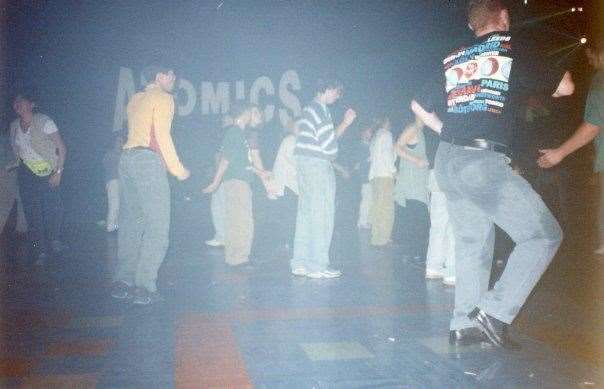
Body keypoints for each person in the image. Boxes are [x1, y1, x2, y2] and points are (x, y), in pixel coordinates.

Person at [411, 0, 574, 349]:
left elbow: (418, 106)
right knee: (543, 235)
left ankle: (464, 324)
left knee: (472, 245)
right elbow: (566, 88)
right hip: (481, 162)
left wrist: (448, 133)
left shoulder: (453, 57)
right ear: (504, 17)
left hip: (448, 159)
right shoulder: (510, 50)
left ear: (472, 26)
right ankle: (493, 313)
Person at [112, 65, 190, 305]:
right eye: (171, 73)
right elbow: (163, 136)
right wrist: (178, 169)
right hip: (147, 162)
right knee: (158, 229)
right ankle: (144, 287)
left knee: (132, 224)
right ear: (160, 77)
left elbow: (140, 131)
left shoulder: (135, 98)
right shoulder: (165, 98)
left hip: (126, 159)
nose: (174, 77)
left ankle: (123, 282)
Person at [538, 41, 604, 253]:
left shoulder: (601, 80)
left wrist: (559, 153)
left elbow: (594, 124)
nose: (590, 61)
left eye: (591, 57)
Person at [290, 77, 357, 279]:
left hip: (304, 163)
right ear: (328, 88)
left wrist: (343, 124)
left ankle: (300, 263)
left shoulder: (309, 109)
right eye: (337, 92)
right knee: (322, 215)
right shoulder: (320, 110)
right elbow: (328, 147)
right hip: (317, 167)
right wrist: (345, 124)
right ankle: (318, 265)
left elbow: (323, 139)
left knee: (306, 215)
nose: (338, 96)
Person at [203, 103, 271, 268]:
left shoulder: (239, 134)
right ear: (245, 114)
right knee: (240, 221)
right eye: (250, 112)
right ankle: (238, 259)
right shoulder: (235, 132)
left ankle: (236, 257)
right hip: (236, 183)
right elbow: (225, 159)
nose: (252, 115)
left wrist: (261, 173)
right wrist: (215, 182)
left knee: (240, 221)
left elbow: (244, 163)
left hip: (240, 182)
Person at [10, 92, 67, 265]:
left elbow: (62, 148)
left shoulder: (44, 121)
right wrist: (14, 163)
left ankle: (55, 240)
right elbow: (19, 150)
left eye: (22, 100)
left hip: (48, 170)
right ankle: (40, 251)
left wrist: (58, 173)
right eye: (15, 101)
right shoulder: (14, 125)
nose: (17, 103)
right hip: (26, 173)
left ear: (32, 104)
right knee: (32, 213)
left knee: (53, 208)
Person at [393, 116, 430, 260]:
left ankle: (412, 252)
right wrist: (417, 160)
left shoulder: (419, 130)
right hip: (412, 184)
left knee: (415, 218)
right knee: (418, 218)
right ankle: (414, 252)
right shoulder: (413, 128)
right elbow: (397, 147)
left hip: (417, 183)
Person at [268, 118, 300, 252]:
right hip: (288, 184)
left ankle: (288, 241)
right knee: (290, 215)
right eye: (299, 126)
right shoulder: (291, 140)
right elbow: (295, 162)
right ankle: (289, 242)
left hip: (290, 184)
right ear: (293, 127)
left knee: (289, 215)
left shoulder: (294, 140)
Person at [205, 115, 233, 248]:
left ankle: (223, 237)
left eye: (226, 119)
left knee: (219, 206)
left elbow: (221, 157)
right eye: (223, 119)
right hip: (226, 176)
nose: (223, 121)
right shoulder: (233, 133)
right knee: (223, 206)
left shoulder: (228, 133)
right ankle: (224, 236)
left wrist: (217, 176)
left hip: (224, 177)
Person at [368, 116, 396, 246]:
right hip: (385, 175)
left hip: (375, 176)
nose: (390, 124)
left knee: (377, 207)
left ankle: (376, 238)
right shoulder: (386, 135)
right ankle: (384, 239)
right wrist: (394, 171)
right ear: (385, 122)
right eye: (389, 121)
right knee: (386, 209)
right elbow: (387, 155)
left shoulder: (374, 137)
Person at [0, 127, 27, 244]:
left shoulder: (12, 133)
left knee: (12, 199)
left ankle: (22, 229)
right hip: (10, 170)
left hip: (13, 170)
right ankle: (22, 229)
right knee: (8, 200)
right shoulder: (9, 134)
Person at [102, 131, 125, 232]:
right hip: (113, 181)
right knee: (114, 204)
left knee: (120, 205)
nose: (120, 143)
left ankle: (115, 225)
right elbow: (107, 166)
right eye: (118, 141)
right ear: (114, 142)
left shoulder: (124, 154)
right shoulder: (110, 154)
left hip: (121, 182)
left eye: (121, 141)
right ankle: (110, 226)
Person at [356, 122, 374, 229]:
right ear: (363, 133)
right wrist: (370, 158)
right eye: (368, 132)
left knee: (369, 199)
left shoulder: (368, 145)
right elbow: (360, 162)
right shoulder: (361, 145)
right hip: (365, 177)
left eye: (371, 132)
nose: (370, 134)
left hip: (369, 176)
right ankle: (362, 221)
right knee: (366, 200)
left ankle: (365, 221)